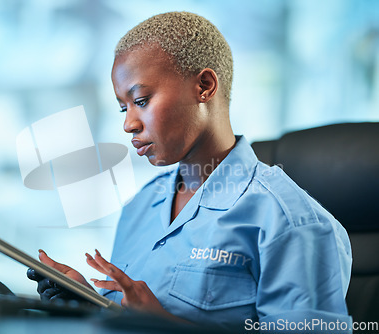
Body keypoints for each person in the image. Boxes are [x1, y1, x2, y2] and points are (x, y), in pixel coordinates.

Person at [28, 11, 352, 332]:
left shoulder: (289, 221)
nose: (128, 124)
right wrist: (90, 306)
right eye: (123, 107)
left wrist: (164, 325)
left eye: (141, 100)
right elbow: (130, 314)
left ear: (205, 86)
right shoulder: (140, 206)